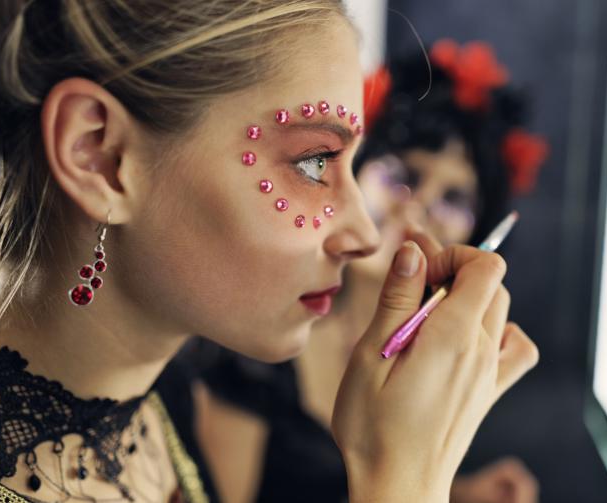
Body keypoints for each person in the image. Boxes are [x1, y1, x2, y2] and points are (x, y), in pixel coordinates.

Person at [0, 1, 539, 501]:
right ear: (102, 155)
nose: (364, 233)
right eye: (314, 163)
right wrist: (402, 478)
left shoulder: (157, 401)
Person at [193, 40, 547, 503]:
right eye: (404, 176)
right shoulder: (261, 342)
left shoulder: (441, 363)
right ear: (351, 172)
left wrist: (455, 491)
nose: (417, 212)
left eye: (454, 199)